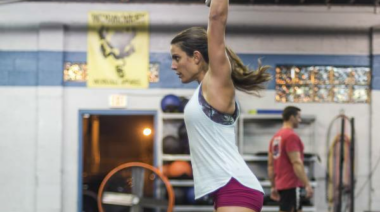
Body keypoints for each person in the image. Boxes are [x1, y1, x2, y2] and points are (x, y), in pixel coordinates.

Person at [170, 0, 271, 211]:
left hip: (234, 186)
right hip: (227, 189)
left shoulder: (215, 82)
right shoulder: (203, 90)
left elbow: (217, 18)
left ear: (196, 57)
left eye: (177, 58)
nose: (173, 65)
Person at [267, 106, 314, 212]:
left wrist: (273, 186)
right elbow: (297, 162)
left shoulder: (275, 137)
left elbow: (270, 165)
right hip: (292, 185)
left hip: (282, 186)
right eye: (298, 117)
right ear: (292, 117)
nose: (300, 120)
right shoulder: (291, 136)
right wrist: (307, 185)